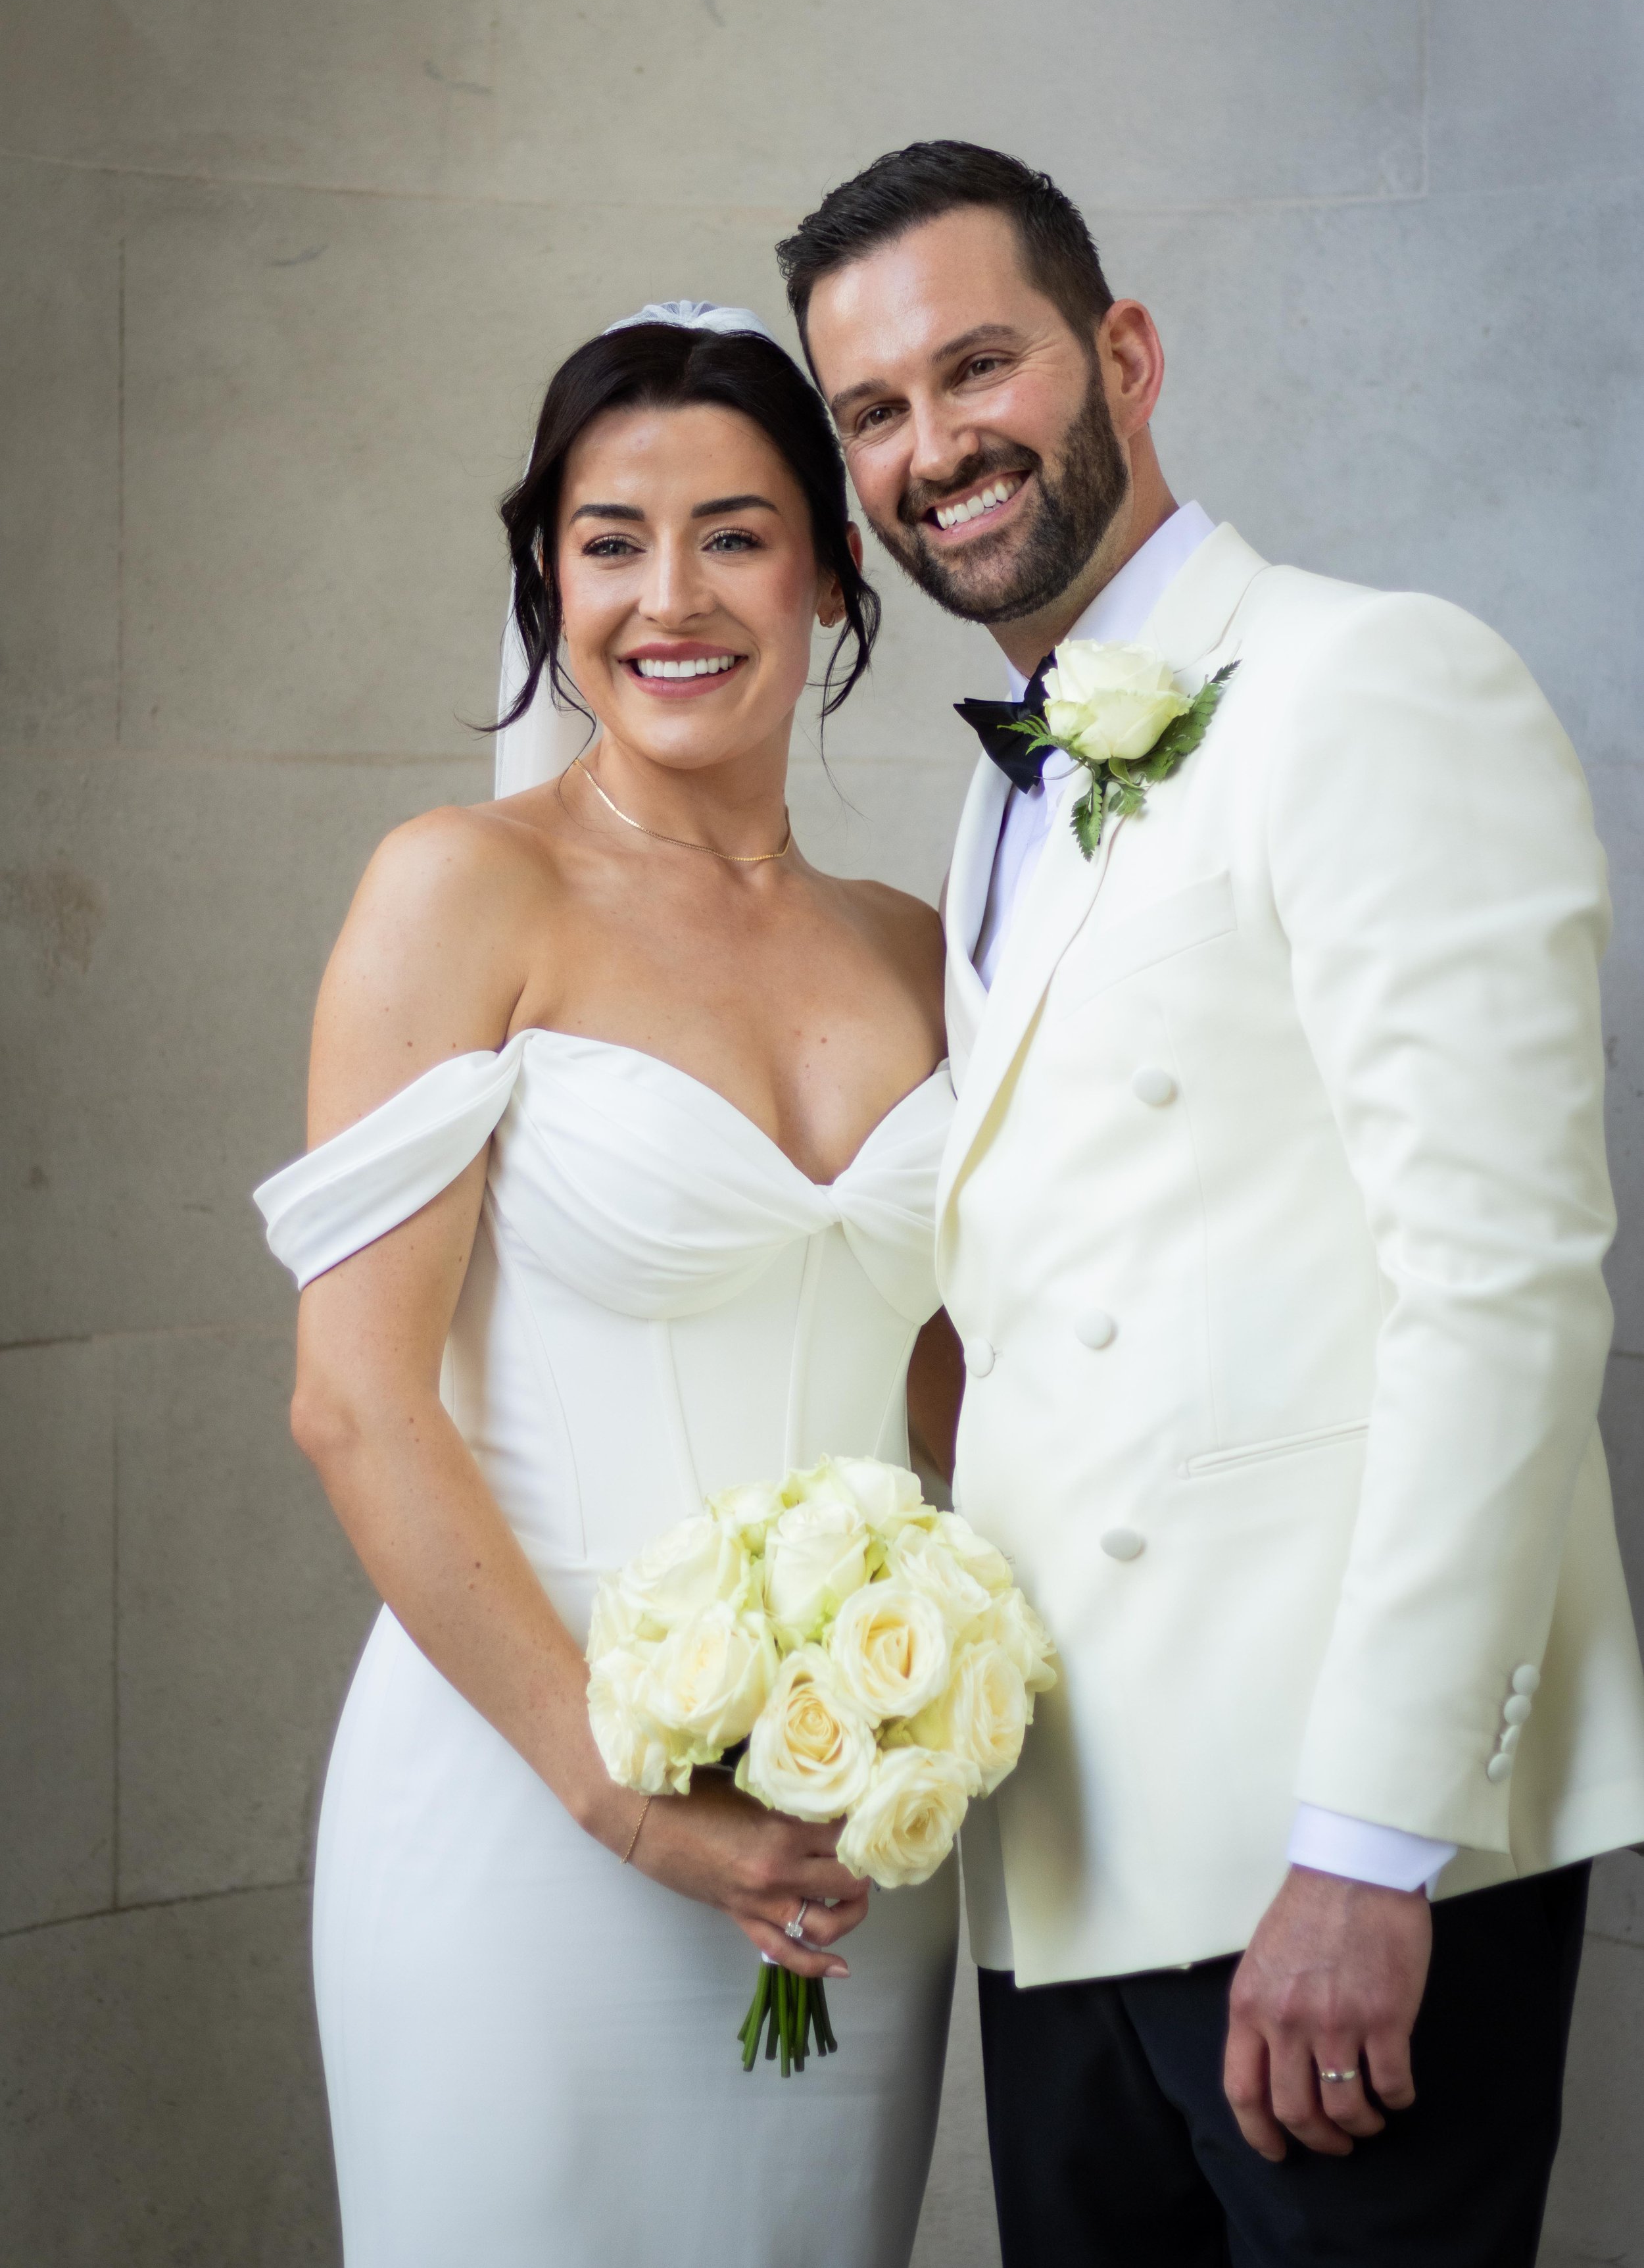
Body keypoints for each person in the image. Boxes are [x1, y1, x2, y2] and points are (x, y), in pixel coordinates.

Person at [780, 141, 1644, 2267]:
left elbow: (1504, 1289)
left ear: (1124, 356)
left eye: (976, 367)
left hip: (1325, 1852)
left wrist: (1365, 1847)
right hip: (1071, 1851)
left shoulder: (1373, 682)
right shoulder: (987, 812)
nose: (932, 449)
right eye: (872, 413)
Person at [253, 303, 963, 2268]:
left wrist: (945, 1718)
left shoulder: (918, 949)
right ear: (545, 579)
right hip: (519, 1812)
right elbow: (357, 1401)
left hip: (845, 1844)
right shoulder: (459, 891)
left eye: (735, 535)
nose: (672, 596)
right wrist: (630, 1805)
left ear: (828, 575)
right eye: (608, 540)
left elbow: (952, 1397)